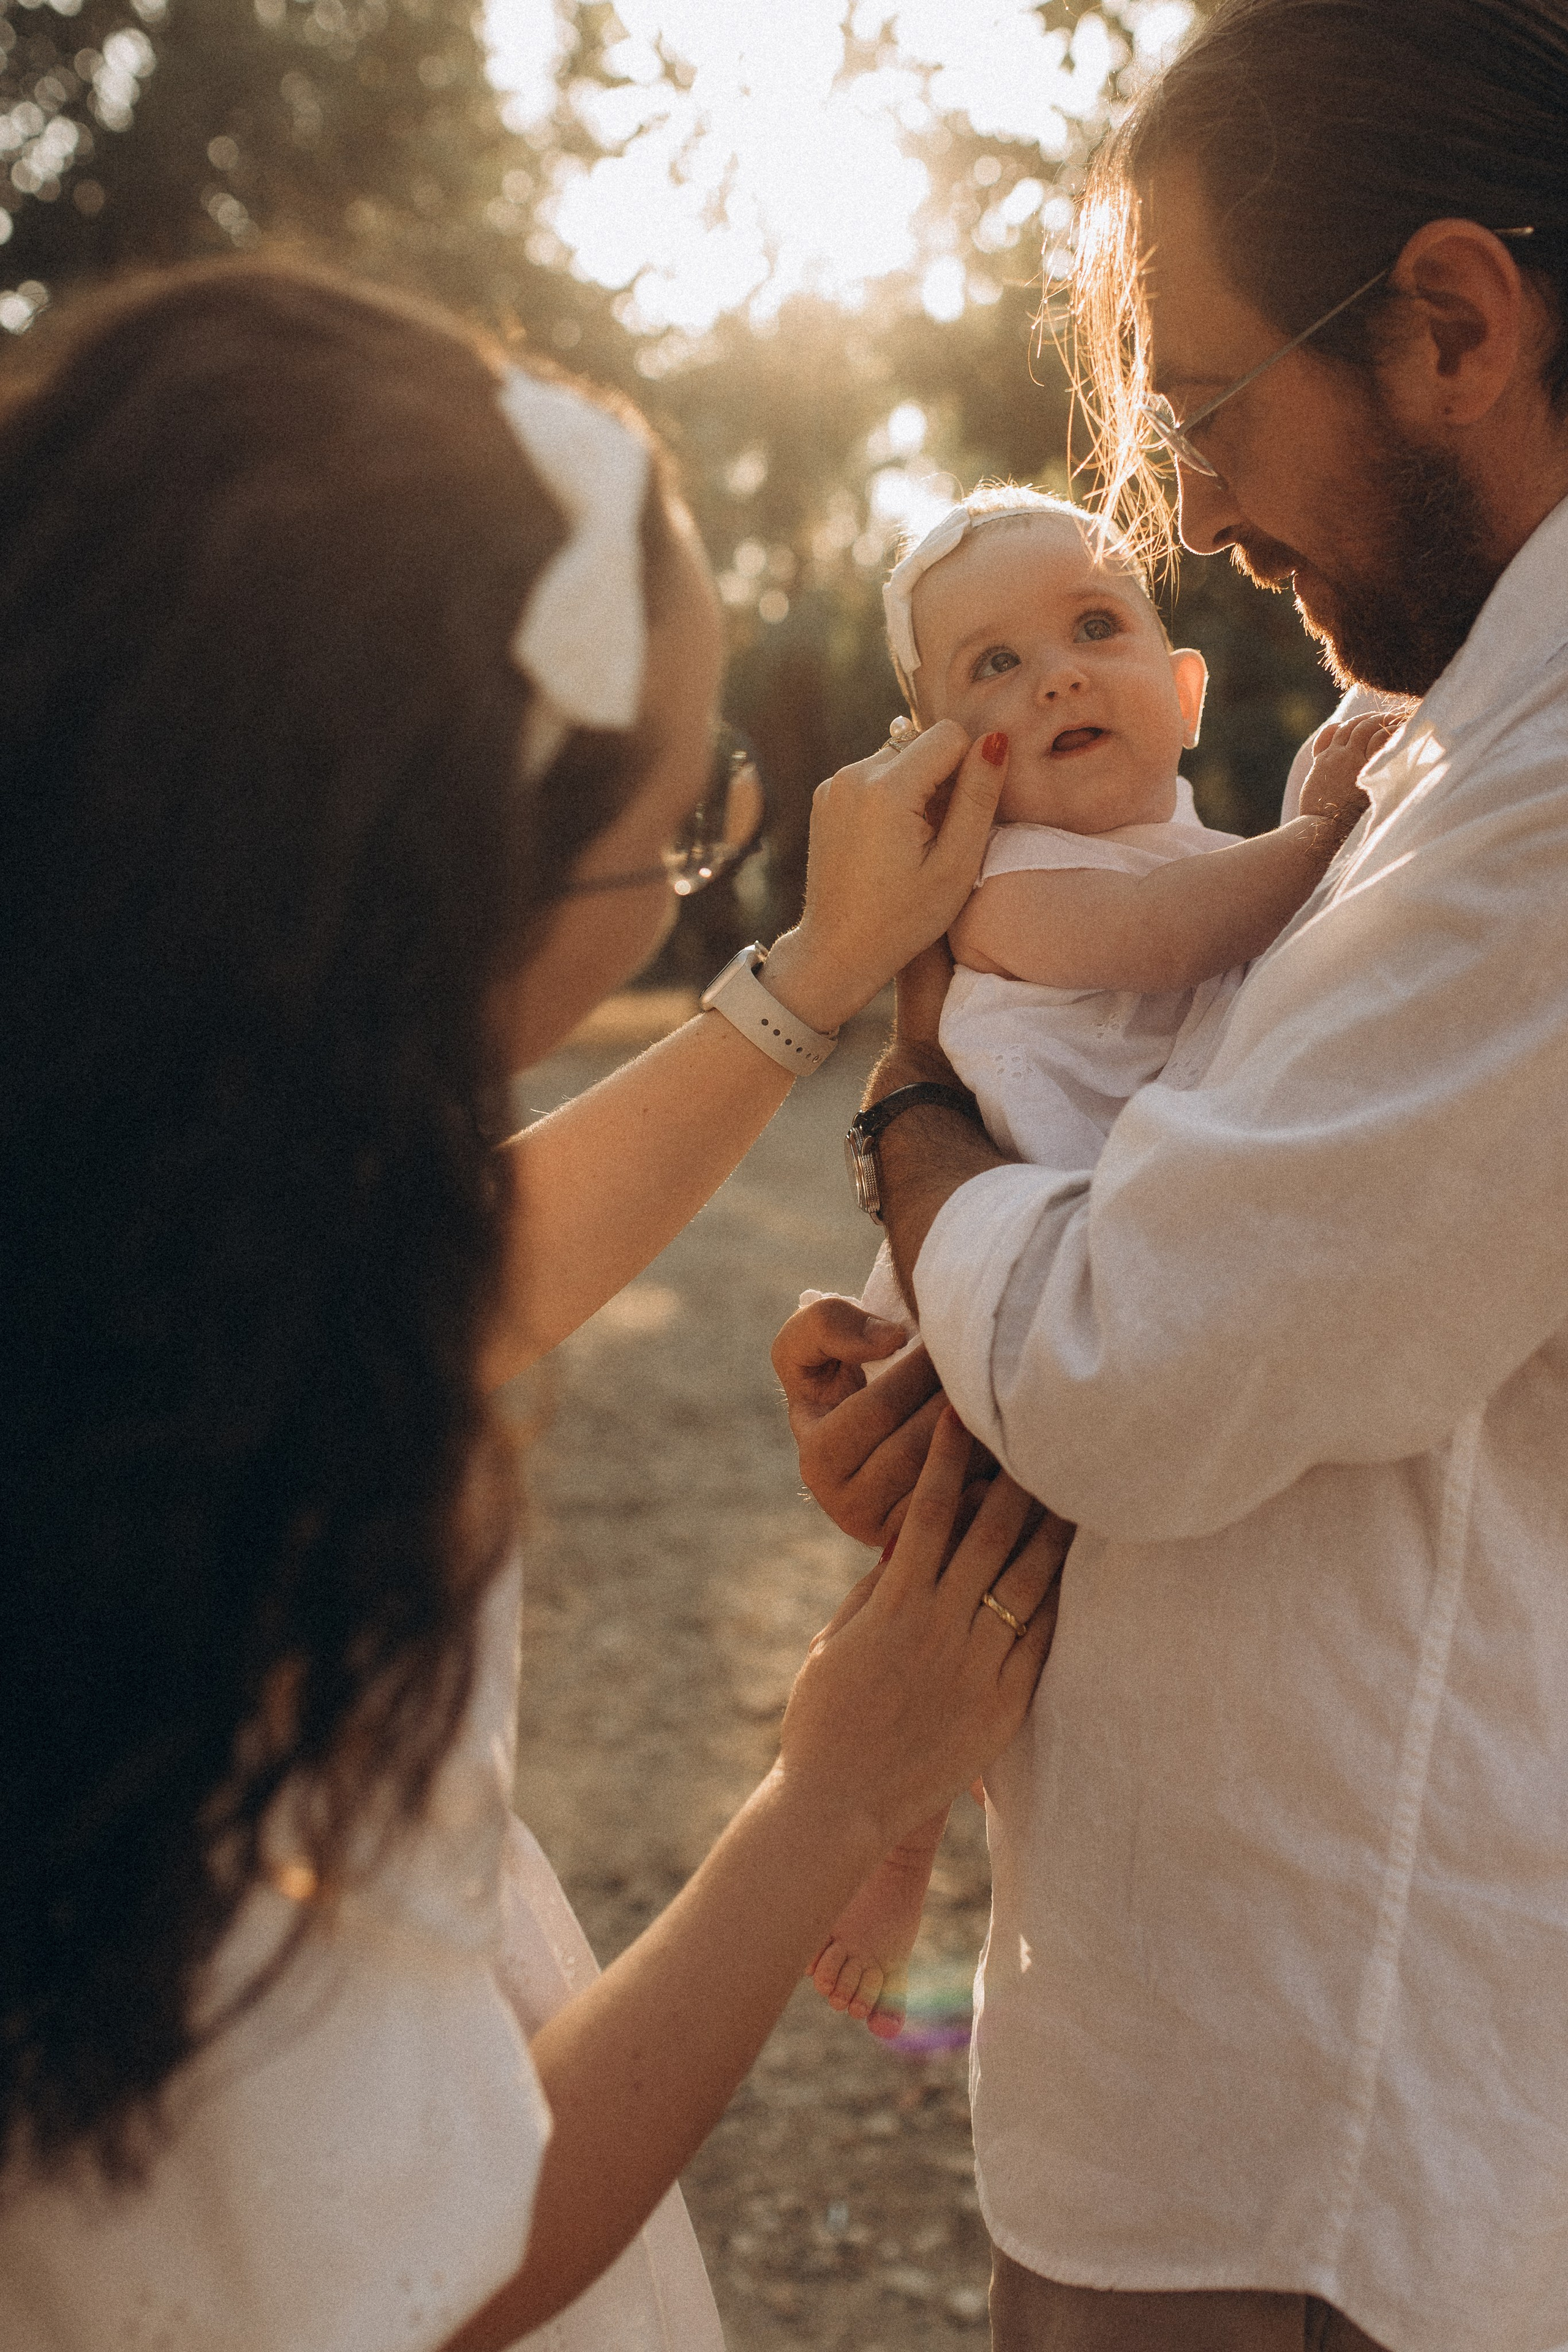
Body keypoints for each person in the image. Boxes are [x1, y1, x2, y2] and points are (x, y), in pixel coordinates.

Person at [0, 258, 1068, 2352]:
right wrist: (837, 1792)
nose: (702, 868)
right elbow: (420, 2278)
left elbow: (410, 1286)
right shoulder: (218, 1562)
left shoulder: (112, 1164)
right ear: (418, 873)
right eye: (676, 840)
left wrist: (799, 985)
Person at [774, 2, 1568, 2347]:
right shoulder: (1449, 741)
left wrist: (912, 1111)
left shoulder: (1535, 798)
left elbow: (1131, 1365)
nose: (1195, 515)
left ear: (1455, 321)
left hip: (1319, 2094)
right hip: (1220, 2008)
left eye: (1208, 414)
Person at [807, 486, 1386, 2035]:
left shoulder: (1198, 849)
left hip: (1085, 1261)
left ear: (1181, 690)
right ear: (936, 747)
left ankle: (953, 1832)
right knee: (931, 1577)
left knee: (1025, 1612)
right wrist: (1328, 835)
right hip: (977, 1288)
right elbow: (1180, 940)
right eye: (987, 668)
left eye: (1092, 629)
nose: (1054, 677)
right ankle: (876, 1839)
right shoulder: (1002, 893)